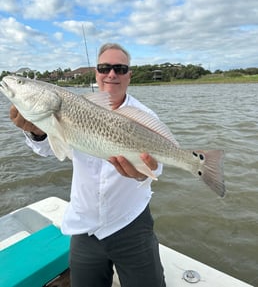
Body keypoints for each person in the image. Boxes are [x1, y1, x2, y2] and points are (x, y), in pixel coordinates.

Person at [10, 43, 168, 287]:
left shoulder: (145, 116)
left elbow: (157, 167)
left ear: (129, 75)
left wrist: (141, 175)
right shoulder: (76, 106)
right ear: (96, 73)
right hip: (84, 225)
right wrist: (37, 132)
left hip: (131, 223)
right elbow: (52, 150)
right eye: (104, 67)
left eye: (120, 68)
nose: (111, 74)